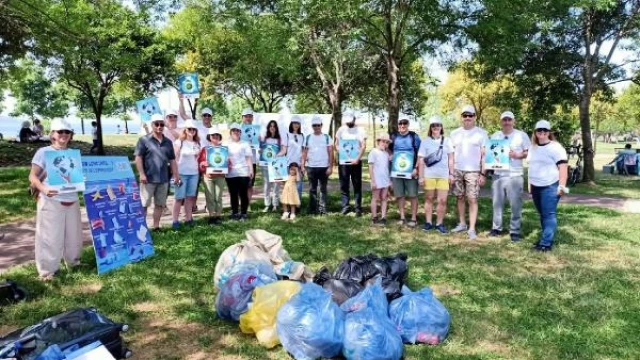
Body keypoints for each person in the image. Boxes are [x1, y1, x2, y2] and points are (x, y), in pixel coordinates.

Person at [28, 119, 83, 281]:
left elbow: (74, 177)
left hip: (71, 199)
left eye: (67, 132)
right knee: (49, 236)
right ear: (52, 134)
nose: (64, 135)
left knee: (74, 236)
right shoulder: (43, 152)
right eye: (60, 132)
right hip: (50, 200)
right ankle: (47, 271)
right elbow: (32, 176)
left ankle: (74, 263)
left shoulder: (73, 154)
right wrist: (43, 189)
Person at [488, 111, 531, 241]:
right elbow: (490, 153)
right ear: (501, 121)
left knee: (515, 205)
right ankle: (496, 228)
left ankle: (515, 231)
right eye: (504, 120)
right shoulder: (496, 135)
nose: (507, 122)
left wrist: (517, 155)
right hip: (498, 175)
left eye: (509, 120)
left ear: (513, 121)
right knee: (497, 203)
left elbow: (528, 152)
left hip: (515, 174)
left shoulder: (521, 135)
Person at [527, 120, 568, 252]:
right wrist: (529, 183)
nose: (542, 133)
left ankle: (546, 243)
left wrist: (562, 186)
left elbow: (563, 167)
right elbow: (531, 166)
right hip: (535, 186)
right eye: (539, 130)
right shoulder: (532, 147)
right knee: (542, 214)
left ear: (549, 132)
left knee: (549, 214)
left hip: (550, 186)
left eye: (545, 130)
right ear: (535, 132)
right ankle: (545, 238)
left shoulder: (556, 147)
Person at [134, 113, 180, 230]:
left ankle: (156, 226)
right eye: (156, 124)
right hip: (148, 178)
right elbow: (138, 158)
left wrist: (176, 175)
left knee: (159, 204)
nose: (159, 126)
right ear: (152, 125)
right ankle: (141, 227)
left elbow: (173, 160)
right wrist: (142, 174)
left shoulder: (168, 142)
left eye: (161, 124)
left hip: (163, 178)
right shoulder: (144, 140)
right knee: (144, 204)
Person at [449, 105, 488, 240]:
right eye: (465, 115)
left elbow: (484, 156)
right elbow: (451, 155)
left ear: (474, 117)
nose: (467, 118)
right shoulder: (454, 133)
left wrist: (483, 173)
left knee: (472, 198)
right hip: (457, 169)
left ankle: (472, 228)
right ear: (461, 117)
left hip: (474, 171)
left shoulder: (482, 133)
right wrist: (451, 172)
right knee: (459, 197)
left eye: (470, 115)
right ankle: (462, 223)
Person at [418, 116, 454, 234]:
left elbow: (451, 159)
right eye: (433, 125)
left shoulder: (448, 141)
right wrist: (421, 176)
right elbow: (421, 160)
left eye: (438, 125)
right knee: (429, 199)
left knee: (442, 200)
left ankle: (439, 223)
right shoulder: (425, 141)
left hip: (443, 175)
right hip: (429, 175)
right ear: (430, 128)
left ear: (441, 127)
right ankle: (428, 222)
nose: (436, 127)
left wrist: (452, 174)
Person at [389, 115, 421, 227]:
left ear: (408, 125)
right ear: (398, 125)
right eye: (400, 123)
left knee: (412, 195)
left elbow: (420, 154)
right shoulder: (393, 137)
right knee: (400, 195)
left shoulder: (414, 137)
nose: (402, 125)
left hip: (411, 171)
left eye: (405, 123)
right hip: (396, 170)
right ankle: (402, 217)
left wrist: (416, 168)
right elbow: (388, 150)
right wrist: (390, 155)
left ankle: (413, 218)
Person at [335, 111, 367, 216]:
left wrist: (357, 158)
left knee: (357, 185)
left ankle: (358, 208)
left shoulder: (360, 130)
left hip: (356, 162)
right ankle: (345, 207)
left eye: (351, 121)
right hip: (344, 162)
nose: (349, 123)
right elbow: (337, 144)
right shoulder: (341, 130)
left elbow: (363, 146)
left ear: (354, 119)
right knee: (344, 184)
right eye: (347, 121)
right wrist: (342, 153)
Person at [171, 120, 201, 228]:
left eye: (194, 129)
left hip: (194, 173)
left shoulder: (197, 143)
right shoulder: (179, 142)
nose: (191, 131)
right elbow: (173, 159)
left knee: (190, 197)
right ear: (185, 130)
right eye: (189, 129)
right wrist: (175, 174)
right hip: (181, 173)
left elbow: (198, 158)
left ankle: (189, 219)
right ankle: (175, 221)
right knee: (179, 198)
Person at [301, 116, 334, 215]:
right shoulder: (308, 137)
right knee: (312, 189)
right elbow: (304, 152)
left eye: (318, 125)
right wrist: (302, 165)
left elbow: (331, 152)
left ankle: (322, 209)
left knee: (323, 189)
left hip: (324, 166)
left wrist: (330, 166)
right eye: (314, 125)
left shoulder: (327, 137)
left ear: (321, 126)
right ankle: (312, 208)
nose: (316, 127)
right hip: (311, 167)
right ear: (312, 126)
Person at [198, 126, 227, 225]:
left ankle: (218, 215)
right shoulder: (205, 149)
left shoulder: (224, 150)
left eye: (217, 135)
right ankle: (211, 216)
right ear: (209, 137)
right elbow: (200, 163)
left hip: (220, 176)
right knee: (209, 197)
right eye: (213, 135)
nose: (215, 137)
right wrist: (203, 164)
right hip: (208, 177)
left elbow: (228, 164)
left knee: (218, 197)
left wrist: (227, 163)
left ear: (219, 137)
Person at [226, 123, 254, 221]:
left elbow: (248, 158)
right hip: (231, 173)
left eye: (238, 131)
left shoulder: (245, 144)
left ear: (240, 132)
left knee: (243, 194)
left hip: (243, 172)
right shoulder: (226, 144)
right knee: (233, 194)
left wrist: (251, 170)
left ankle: (244, 213)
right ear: (230, 132)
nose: (236, 132)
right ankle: (235, 213)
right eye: (234, 130)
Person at [260, 120, 286, 212]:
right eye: (270, 126)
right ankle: (267, 205)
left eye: (274, 126)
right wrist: (261, 152)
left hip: (276, 165)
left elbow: (284, 150)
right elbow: (260, 149)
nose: (272, 127)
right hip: (265, 165)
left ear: (276, 128)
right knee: (267, 185)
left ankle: (275, 204)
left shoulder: (279, 139)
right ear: (268, 128)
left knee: (276, 185)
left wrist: (277, 155)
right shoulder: (264, 139)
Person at [368, 133, 392, 226]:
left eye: (386, 142)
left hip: (385, 179)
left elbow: (387, 167)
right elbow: (370, 167)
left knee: (384, 198)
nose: (384, 143)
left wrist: (389, 180)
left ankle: (383, 217)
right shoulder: (373, 152)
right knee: (375, 198)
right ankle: (374, 216)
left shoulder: (386, 154)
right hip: (376, 179)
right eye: (383, 141)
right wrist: (373, 180)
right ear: (378, 142)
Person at [283, 116, 304, 201]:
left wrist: (303, 165)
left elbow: (303, 151)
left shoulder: (302, 136)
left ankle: (297, 206)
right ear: (291, 124)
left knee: (299, 186)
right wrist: (275, 156)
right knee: (289, 186)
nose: (296, 125)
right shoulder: (287, 135)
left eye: (298, 123)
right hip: (289, 164)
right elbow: (284, 150)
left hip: (299, 164)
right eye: (294, 123)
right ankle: (288, 206)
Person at [241, 108, 259, 202]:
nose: (248, 118)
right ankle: (240, 203)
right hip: (240, 161)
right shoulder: (238, 129)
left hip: (252, 161)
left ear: (252, 118)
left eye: (250, 116)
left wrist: (259, 140)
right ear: (242, 118)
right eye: (246, 116)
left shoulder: (256, 130)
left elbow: (259, 145)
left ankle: (247, 204)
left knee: (250, 184)